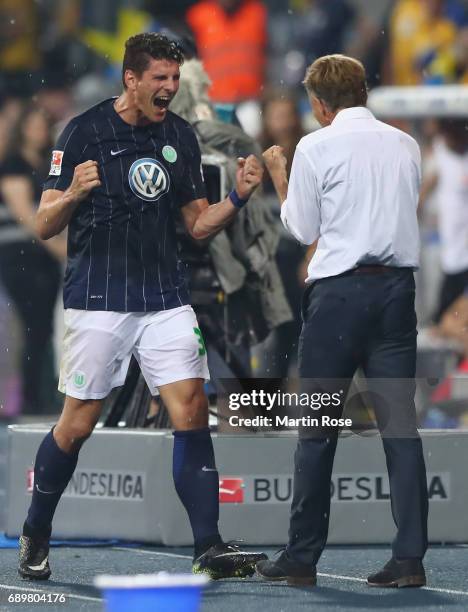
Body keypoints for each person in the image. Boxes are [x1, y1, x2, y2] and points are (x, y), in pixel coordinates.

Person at [18, 32, 266, 581]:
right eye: (160, 78)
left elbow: (197, 225)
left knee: (192, 409)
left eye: (175, 79)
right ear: (131, 79)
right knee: (78, 424)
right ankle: (36, 529)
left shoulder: (178, 135)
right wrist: (75, 194)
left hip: (164, 300)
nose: (170, 89)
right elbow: (42, 224)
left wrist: (239, 197)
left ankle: (209, 546)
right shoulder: (82, 132)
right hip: (99, 300)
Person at [256, 54, 429, 587]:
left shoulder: (315, 146)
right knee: (400, 428)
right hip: (396, 292)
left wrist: (281, 176)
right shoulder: (406, 144)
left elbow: (301, 225)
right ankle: (409, 559)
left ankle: (303, 558)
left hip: (339, 297)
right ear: (365, 92)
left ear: (319, 105)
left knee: (318, 431)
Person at [0, 104, 66, 415]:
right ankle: (30, 395)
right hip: (20, 255)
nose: (40, 131)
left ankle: (40, 393)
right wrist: (57, 247)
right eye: (35, 124)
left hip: (43, 256)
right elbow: (24, 212)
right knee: (31, 326)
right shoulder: (13, 164)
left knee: (44, 327)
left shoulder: (48, 165)